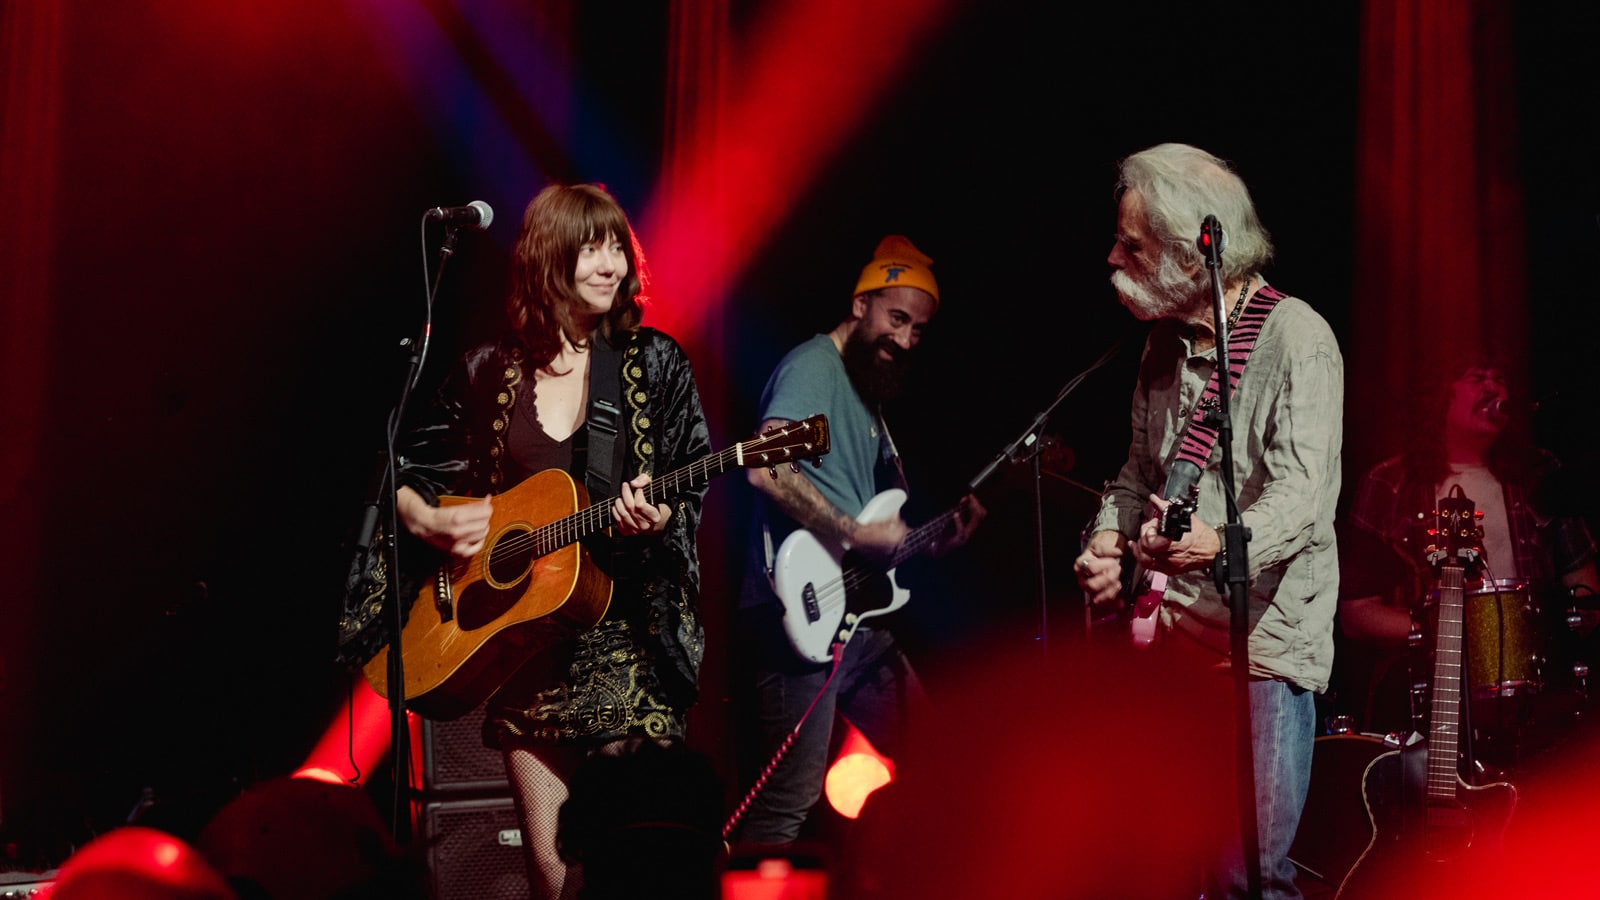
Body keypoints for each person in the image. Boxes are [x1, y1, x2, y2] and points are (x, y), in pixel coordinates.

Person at [393, 183, 712, 899]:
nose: (611, 265)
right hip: (525, 648)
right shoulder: (488, 371)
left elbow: (691, 480)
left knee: (634, 860)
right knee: (553, 875)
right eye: (590, 247)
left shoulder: (654, 363)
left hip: (627, 640)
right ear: (546, 258)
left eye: (617, 248)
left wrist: (660, 519)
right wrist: (428, 518)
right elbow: (407, 470)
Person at [1074, 143, 1344, 900]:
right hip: (1170, 644)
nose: (1113, 257)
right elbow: (1135, 474)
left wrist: (1215, 546)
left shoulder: (1298, 339)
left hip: (1259, 650)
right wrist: (1104, 541)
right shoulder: (1159, 348)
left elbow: (1301, 497)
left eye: (1133, 244)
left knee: (1248, 875)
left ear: (1195, 251)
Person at [729, 234, 985, 847]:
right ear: (860, 303)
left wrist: (936, 538)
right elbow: (766, 467)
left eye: (918, 330)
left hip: (854, 621)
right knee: (786, 804)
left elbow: (870, 529)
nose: (904, 340)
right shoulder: (814, 366)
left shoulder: (867, 400)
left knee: (939, 761)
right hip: (797, 614)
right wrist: (850, 531)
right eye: (896, 318)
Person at [1337, 355, 1600, 758]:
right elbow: (1356, 614)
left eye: (1501, 380)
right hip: (1428, 697)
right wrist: (1438, 633)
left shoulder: (1540, 473)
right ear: (1439, 395)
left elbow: (1584, 587)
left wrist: (1574, 620)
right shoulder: (1389, 484)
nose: (1494, 390)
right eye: (1478, 378)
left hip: (1539, 695)